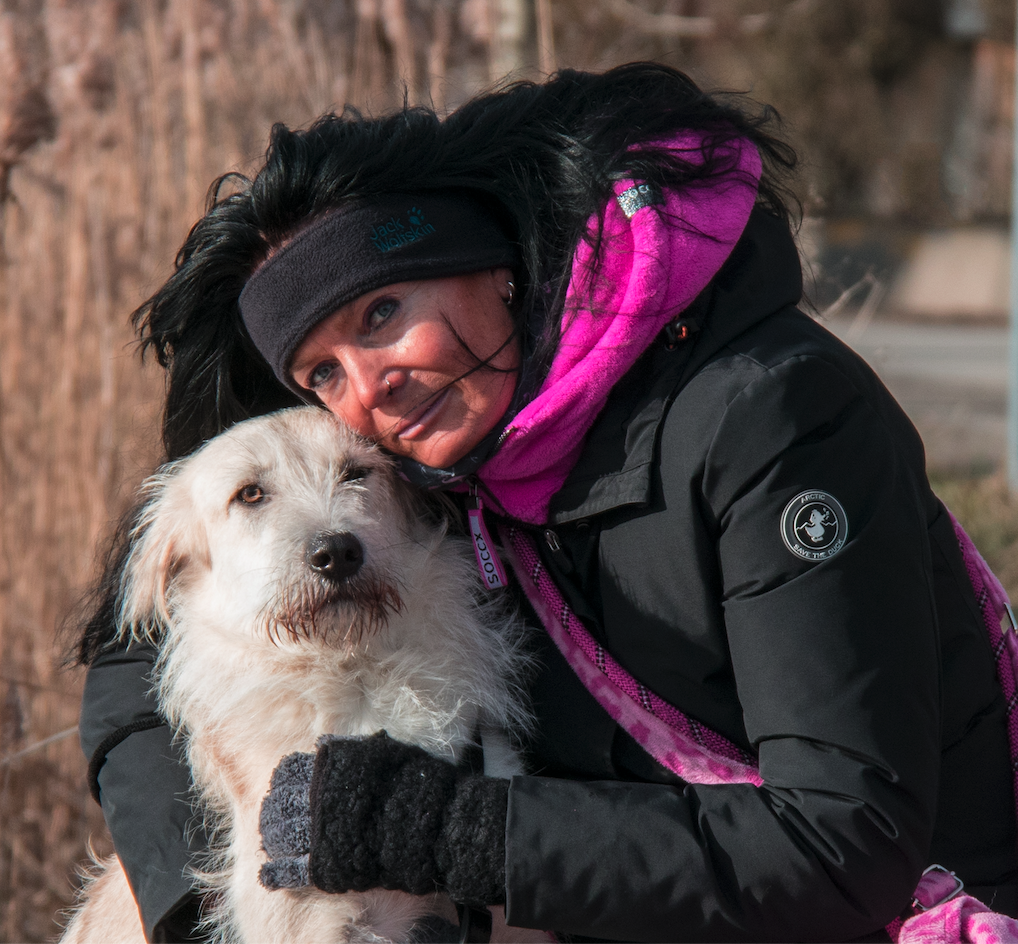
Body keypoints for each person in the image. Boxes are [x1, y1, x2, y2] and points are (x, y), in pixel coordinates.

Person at [75, 63, 1017, 943]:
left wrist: (456, 833)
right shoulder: (431, 462)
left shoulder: (771, 417)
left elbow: (846, 841)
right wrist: (198, 911)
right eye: (323, 369)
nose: (371, 389)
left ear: (498, 269)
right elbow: (132, 659)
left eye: (380, 313)